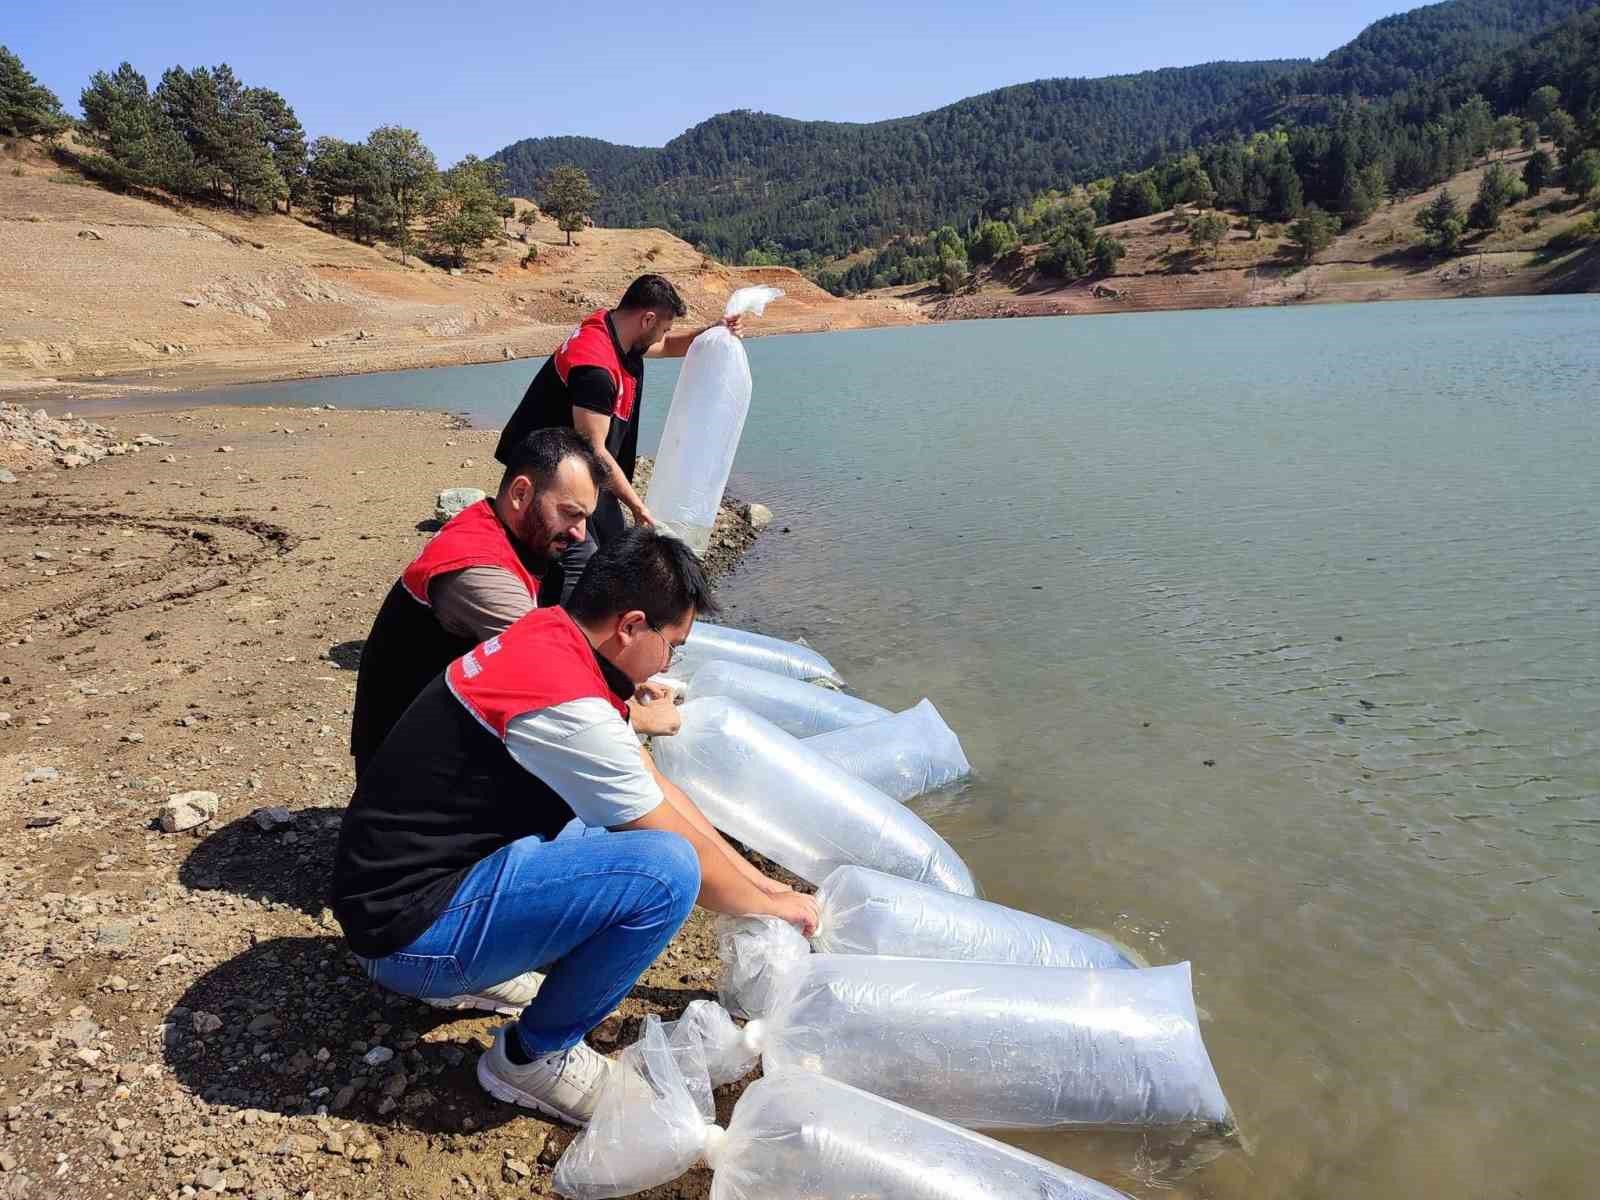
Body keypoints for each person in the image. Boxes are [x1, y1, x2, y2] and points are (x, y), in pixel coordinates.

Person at [330, 528, 816, 1125]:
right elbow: (674, 842)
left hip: (393, 893)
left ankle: (472, 971)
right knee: (665, 874)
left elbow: (659, 791)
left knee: (613, 837)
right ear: (631, 626)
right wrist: (768, 907)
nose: (669, 664)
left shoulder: (548, 634)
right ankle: (532, 1059)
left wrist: (768, 890)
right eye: (672, 646)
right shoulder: (569, 705)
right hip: (403, 934)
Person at [348, 428, 606, 777]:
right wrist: (629, 706)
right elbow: (551, 673)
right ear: (520, 493)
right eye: (571, 513)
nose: (579, 532)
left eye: (585, 516)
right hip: (405, 771)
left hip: (423, 740)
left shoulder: (495, 527)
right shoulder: (481, 570)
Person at [494, 274, 742, 605]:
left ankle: (592, 625)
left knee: (614, 553)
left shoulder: (615, 329)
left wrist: (714, 331)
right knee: (581, 563)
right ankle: (563, 633)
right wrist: (639, 506)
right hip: (550, 477)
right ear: (647, 319)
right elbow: (594, 448)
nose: (664, 335)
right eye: (663, 327)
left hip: (584, 471)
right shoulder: (596, 368)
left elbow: (667, 346)